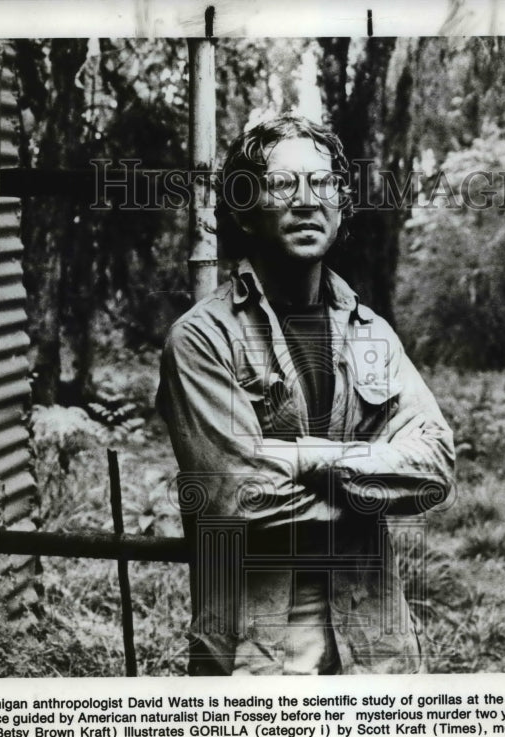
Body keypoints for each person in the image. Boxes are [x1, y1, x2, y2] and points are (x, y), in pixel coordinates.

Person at [156, 115, 454, 676]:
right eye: (281, 184)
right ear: (246, 208)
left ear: (341, 205)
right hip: (256, 658)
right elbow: (237, 500)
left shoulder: (368, 335)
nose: (306, 201)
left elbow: (435, 468)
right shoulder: (203, 338)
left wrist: (298, 457)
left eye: (322, 184)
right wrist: (374, 485)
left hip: (374, 653)